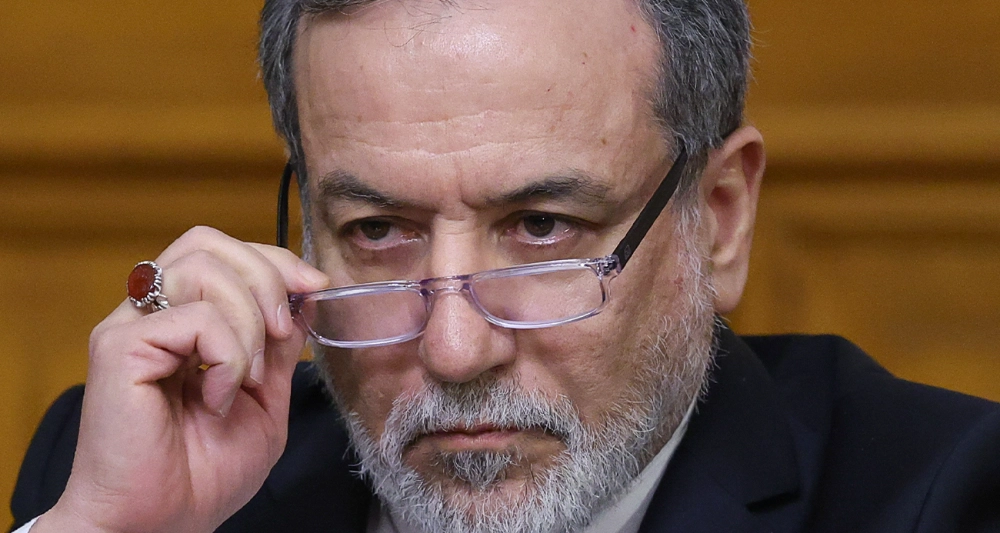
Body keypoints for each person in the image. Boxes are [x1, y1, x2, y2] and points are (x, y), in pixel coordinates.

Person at [9, 0, 1000, 531]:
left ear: (719, 218)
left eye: (540, 226)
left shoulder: (942, 495)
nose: (453, 348)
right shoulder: (144, 480)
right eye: (376, 229)